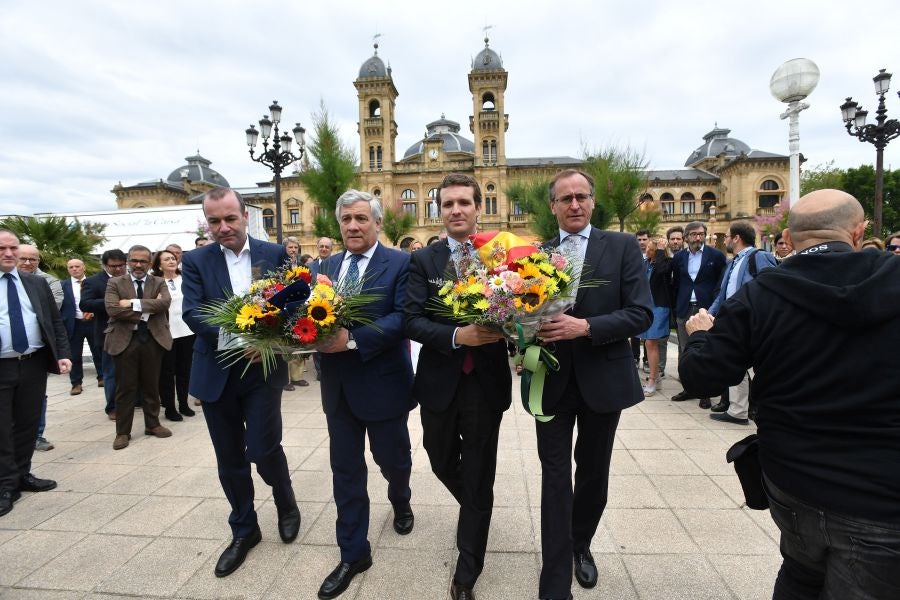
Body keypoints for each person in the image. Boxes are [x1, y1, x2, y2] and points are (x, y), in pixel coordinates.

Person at [680, 189, 900, 600]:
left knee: (800, 574)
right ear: (858, 231)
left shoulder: (762, 293)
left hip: (793, 480)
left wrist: (700, 337)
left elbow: (703, 377)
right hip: (882, 494)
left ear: (791, 237)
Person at [534, 169, 652, 600]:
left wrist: (585, 326)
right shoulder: (536, 254)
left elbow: (641, 313)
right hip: (550, 381)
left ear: (593, 200)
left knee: (593, 473)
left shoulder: (620, 247)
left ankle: (580, 542)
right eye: (564, 198)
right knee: (554, 476)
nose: (574, 204)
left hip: (604, 378)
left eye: (581, 196)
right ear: (553, 206)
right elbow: (519, 313)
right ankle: (555, 573)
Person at [181, 188, 300, 578]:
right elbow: (194, 313)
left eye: (229, 218)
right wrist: (241, 334)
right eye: (214, 221)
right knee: (229, 457)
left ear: (245, 216)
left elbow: (294, 304)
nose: (223, 227)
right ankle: (245, 530)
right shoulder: (196, 260)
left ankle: (285, 502)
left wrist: (268, 340)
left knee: (263, 448)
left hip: (262, 371)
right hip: (216, 371)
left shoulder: (274, 255)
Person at [405, 173, 512, 600]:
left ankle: (467, 571)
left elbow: (526, 304)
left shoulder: (500, 255)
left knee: (481, 468)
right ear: (438, 209)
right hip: (440, 378)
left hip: (484, 383)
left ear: (477, 207)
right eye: (447, 204)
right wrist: (456, 336)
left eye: (463, 203)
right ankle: (477, 504)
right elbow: (412, 320)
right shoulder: (424, 261)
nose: (455, 211)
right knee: (439, 459)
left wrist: (515, 327)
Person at [315, 190, 415, 599]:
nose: (353, 226)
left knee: (392, 459)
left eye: (361, 218)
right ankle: (353, 552)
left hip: (384, 383)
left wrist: (353, 340)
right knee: (346, 470)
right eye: (346, 220)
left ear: (377, 223)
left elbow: (404, 317)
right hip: (338, 388)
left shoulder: (402, 263)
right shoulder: (325, 265)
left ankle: (401, 497)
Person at [0, 230, 71, 517]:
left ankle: (22, 474)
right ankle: (5, 485)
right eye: (2, 248)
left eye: (12, 248)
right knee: (2, 427)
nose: (8, 253)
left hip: (32, 363)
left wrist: (64, 354)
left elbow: (54, 321)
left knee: (28, 424)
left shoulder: (36, 283)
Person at [104, 245, 173, 450]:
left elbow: (165, 304)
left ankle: (152, 425)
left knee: (151, 385)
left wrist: (131, 303)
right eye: (134, 260)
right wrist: (148, 306)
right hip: (125, 340)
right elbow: (113, 309)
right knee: (126, 388)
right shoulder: (114, 282)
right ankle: (122, 432)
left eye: (143, 261)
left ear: (150, 264)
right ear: (128, 261)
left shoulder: (159, 281)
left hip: (153, 339)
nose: (138, 265)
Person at [706, 221, 776, 422]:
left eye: (727, 236)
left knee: (759, 368)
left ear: (736, 238)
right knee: (736, 364)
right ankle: (738, 412)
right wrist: (710, 314)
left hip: (754, 321)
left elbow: (771, 286)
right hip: (734, 321)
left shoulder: (760, 256)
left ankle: (768, 409)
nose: (725, 240)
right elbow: (723, 295)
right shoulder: (733, 262)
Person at [669, 220, 725, 408]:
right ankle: (688, 388)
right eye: (693, 234)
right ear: (686, 237)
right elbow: (676, 283)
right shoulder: (678, 258)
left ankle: (706, 392)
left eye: (700, 234)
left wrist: (715, 308)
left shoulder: (716, 255)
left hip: (706, 309)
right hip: (685, 307)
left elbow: (720, 283)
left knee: (707, 348)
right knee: (685, 349)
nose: (697, 237)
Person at [16, 245, 64, 454]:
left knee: (36, 398)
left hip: (35, 354)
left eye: (32, 259)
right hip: (6, 357)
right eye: (23, 258)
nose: (28, 263)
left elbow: (53, 314)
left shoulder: (46, 282)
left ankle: (36, 435)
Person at [80, 249, 127, 419]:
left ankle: (136, 401)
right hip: (109, 334)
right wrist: (113, 303)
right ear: (105, 265)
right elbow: (85, 304)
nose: (118, 269)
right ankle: (113, 407)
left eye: (121, 265)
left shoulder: (131, 279)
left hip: (134, 332)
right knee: (111, 372)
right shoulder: (93, 282)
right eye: (113, 266)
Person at [151, 249, 195, 420]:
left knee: (185, 370)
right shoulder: (154, 282)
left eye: (173, 258)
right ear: (159, 265)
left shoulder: (186, 278)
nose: (171, 261)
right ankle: (170, 407)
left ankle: (184, 404)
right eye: (166, 259)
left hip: (187, 330)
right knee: (167, 372)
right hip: (166, 332)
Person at [636, 234, 672, 396]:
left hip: (659, 306)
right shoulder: (645, 263)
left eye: (652, 249)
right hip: (646, 306)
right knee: (647, 342)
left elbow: (661, 272)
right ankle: (655, 376)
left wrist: (660, 253)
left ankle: (652, 379)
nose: (648, 250)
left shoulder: (665, 263)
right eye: (649, 248)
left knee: (651, 342)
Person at [61, 258, 102, 400]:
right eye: (71, 267)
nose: (74, 269)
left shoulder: (93, 283)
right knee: (74, 355)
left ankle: (102, 377)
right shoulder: (63, 285)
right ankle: (76, 383)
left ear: (83, 267)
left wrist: (94, 311)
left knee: (98, 349)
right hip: (74, 324)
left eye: (77, 266)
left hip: (93, 321)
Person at [282, 236, 309, 391]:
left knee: (298, 339)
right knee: (284, 342)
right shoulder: (280, 264)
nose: (293, 250)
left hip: (299, 307)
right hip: (284, 307)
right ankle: (285, 378)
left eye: (295, 248)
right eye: (290, 247)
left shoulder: (301, 266)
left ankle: (297, 377)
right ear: (285, 248)